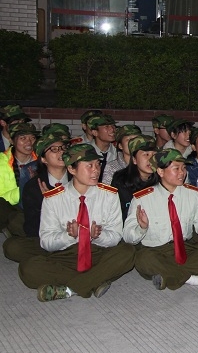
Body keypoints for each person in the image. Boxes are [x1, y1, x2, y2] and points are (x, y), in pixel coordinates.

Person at [18, 143, 135, 301]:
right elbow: (46, 241)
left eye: (97, 164)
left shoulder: (109, 195)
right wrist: (68, 236)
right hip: (67, 255)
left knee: (127, 252)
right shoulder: (54, 199)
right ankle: (95, 280)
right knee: (28, 268)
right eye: (89, 166)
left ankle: (70, 289)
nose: (96, 170)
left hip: (99, 252)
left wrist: (97, 236)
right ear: (72, 169)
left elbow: (115, 236)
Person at [123, 149, 198, 290]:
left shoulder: (193, 195)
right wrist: (141, 228)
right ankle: (194, 279)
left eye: (184, 168)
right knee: (143, 259)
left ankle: (169, 274)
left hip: (186, 248)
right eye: (176, 168)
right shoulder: (142, 199)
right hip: (157, 251)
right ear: (160, 171)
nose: (182, 173)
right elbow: (128, 237)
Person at [3, 133, 69, 263]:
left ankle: (60, 259)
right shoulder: (34, 186)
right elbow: (33, 228)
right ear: (43, 159)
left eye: (63, 148)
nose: (61, 152)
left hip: (79, 235)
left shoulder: (79, 178)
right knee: (13, 247)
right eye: (54, 149)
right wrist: (49, 204)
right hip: (49, 237)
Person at [0, 122, 39, 236]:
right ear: (12, 141)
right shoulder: (2, 161)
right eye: (23, 138)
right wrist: (27, 186)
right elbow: (2, 197)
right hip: (11, 207)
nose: (29, 142)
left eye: (32, 138)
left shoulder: (42, 161)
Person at [111, 135, 158, 221]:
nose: (151, 159)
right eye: (146, 154)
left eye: (154, 154)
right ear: (134, 159)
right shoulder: (120, 180)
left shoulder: (162, 179)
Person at [88, 114, 118, 180]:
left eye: (113, 126)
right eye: (106, 126)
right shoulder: (84, 151)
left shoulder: (119, 153)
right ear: (95, 132)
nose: (112, 129)